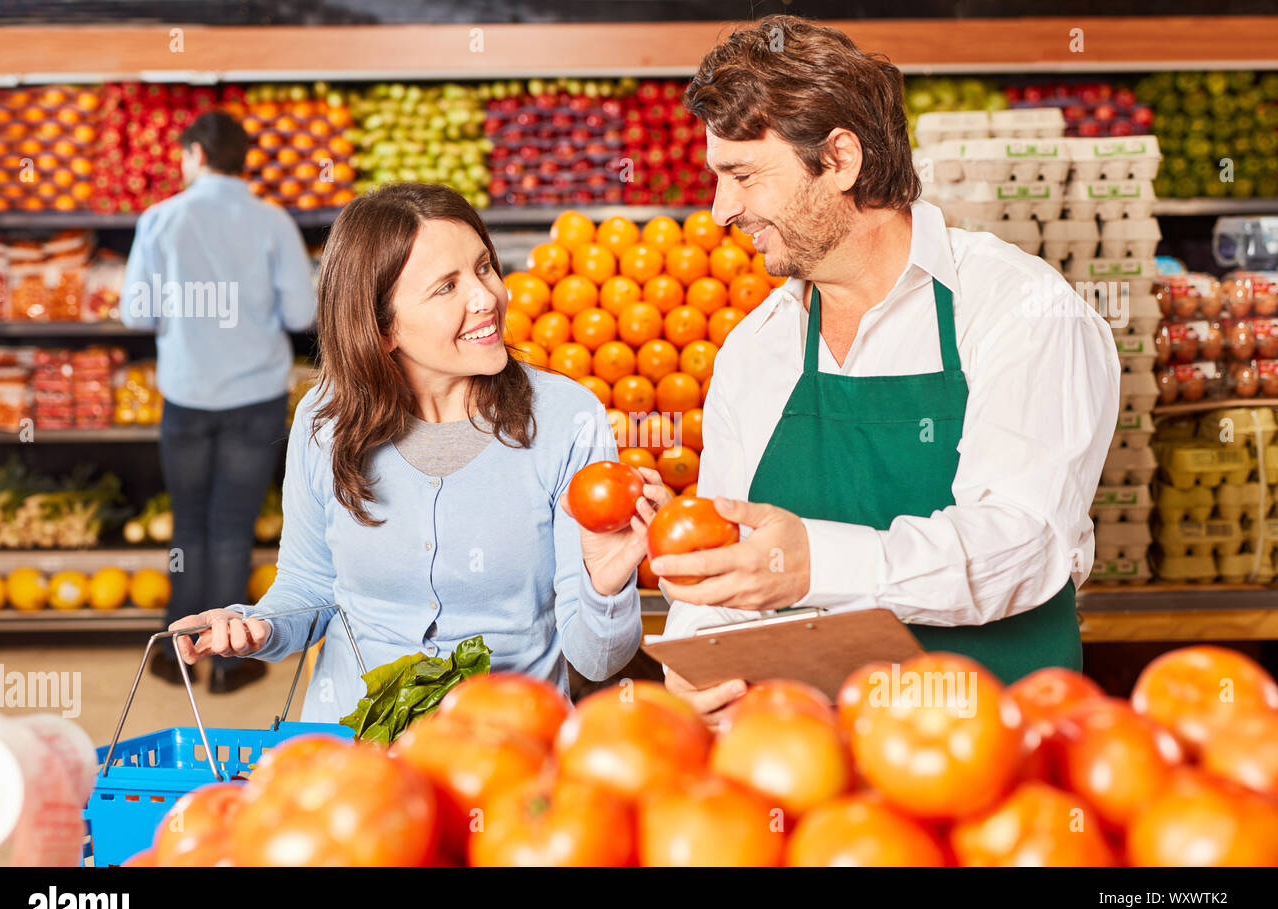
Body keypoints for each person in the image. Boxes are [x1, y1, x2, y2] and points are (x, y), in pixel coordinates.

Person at [648, 16, 1121, 724]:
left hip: (996, 764)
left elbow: (1023, 543)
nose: (721, 211)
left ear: (839, 159)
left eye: (742, 176)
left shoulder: (1016, 309)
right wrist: (699, 665)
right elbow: (727, 552)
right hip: (812, 770)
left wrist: (818, 563)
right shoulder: (757, 347)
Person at [168, 183, 663, 720]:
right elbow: (309, 584)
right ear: (381, 329)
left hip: (508, 747)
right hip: (351, 752)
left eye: (483, 268)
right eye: (446, 287)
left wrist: (605, 584)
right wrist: (258, 627)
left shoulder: (568, 418)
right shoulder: (325, 417)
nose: (486, 298)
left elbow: (598, 659)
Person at [121, 110, 317, 693]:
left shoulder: (160, 219)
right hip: (253, 396)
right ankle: (230, 662)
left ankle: (175, 653)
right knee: (234, 526)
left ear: (196, 155)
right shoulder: (272, 222)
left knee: (191, 526)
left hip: (185, 394)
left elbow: (136, 312)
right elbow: (302, 315)